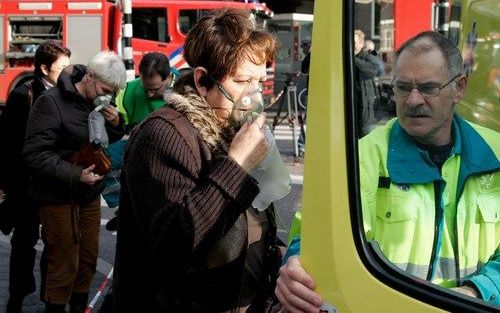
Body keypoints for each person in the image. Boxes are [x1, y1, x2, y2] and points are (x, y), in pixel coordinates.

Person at [275, 31, 500, 311]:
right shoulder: (360, 159)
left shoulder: (495, 154)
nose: (413, 100)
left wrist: (479, 290)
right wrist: (296, 267)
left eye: (428, 88)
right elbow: (315, 239)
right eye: (403, 87)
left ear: (459, 88)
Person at [113, 8, 283, 312]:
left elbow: (257, 223)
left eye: (260, 81)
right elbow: (175, 246)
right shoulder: (164, 135)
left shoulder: (231, 128)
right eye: (243, 81)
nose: (254, 96)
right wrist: (237, 166)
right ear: (203, 81)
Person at [23, 51, 126, 313]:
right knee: (63, 262)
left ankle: (79, 307)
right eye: (105, 90)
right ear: (90, 77)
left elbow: (103, 139)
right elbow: (34, 154)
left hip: (90, 193)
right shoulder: (51, 102)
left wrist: (116, 123)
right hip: (58, 196)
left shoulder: (99, 102)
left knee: (88, 260)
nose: (108, 97)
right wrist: (75, 173)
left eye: (113, 93)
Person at [0, 40, 71, 313]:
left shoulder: (68, 94)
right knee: (23, 243)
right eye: (61, 67)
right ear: (44, 68)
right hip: (25, 184)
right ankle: (16, 297)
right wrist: (5, 185)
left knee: (56, 243)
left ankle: (51, 298)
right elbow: (5, 143)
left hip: (55, 181)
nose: (66, 72)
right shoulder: (23, 95)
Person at [103, 52, 175, 231]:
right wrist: (115, 121)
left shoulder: (185, 89)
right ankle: (123, 208)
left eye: (156, 89)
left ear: (168, 78)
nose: (150, 94)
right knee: (103, 157)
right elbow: (120, 124)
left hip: (171, 148)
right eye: (146, 88)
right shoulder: (130, 89)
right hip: (137, 143)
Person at [354, 30, 380, 135]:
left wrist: (353, 59)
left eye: (354, 43)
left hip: (366, 111)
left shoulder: (368, 58)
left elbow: (373, 70)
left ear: (361, 44)